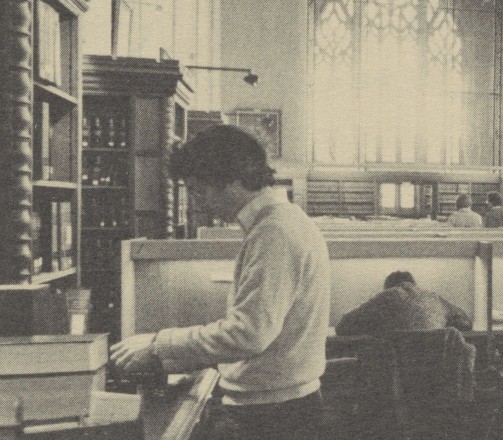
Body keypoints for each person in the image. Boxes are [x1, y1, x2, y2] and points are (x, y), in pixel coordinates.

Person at [108, 125, 331, 440]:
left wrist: (159, 345)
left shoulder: (274, 233)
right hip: (281, 407)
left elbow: (248, 334)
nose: (198, 202)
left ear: (233, 181)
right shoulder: (282, 222)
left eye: (199, 189)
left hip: (272, 417)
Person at [335, 271, 473, 336]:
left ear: (388, 287)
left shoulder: (386, 297)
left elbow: (342, 327)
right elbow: (466, 323)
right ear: (414, 285)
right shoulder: (433, 298)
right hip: (435, 374)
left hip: (393, 376)